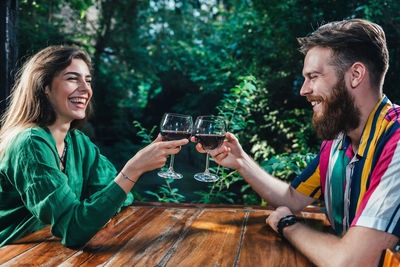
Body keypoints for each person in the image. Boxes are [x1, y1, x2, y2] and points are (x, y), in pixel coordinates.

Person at [194, 19, 399, 266]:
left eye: (313, 76)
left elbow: (350, 261)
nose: (303, 90)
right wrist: (240, 161)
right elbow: (292, 199)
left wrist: (287, 225)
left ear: (355, 75)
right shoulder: (338, 141)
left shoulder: (396, 141)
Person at [0, 46, 189, 247]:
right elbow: (74, 230)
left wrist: (92, 211)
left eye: (88, 80)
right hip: (13, 255)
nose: (85, 89)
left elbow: (120, 197)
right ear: (44, 87)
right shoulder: (30, 144)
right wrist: (134, 169)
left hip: (50, 248)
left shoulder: (77, 142)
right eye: (72, 79)